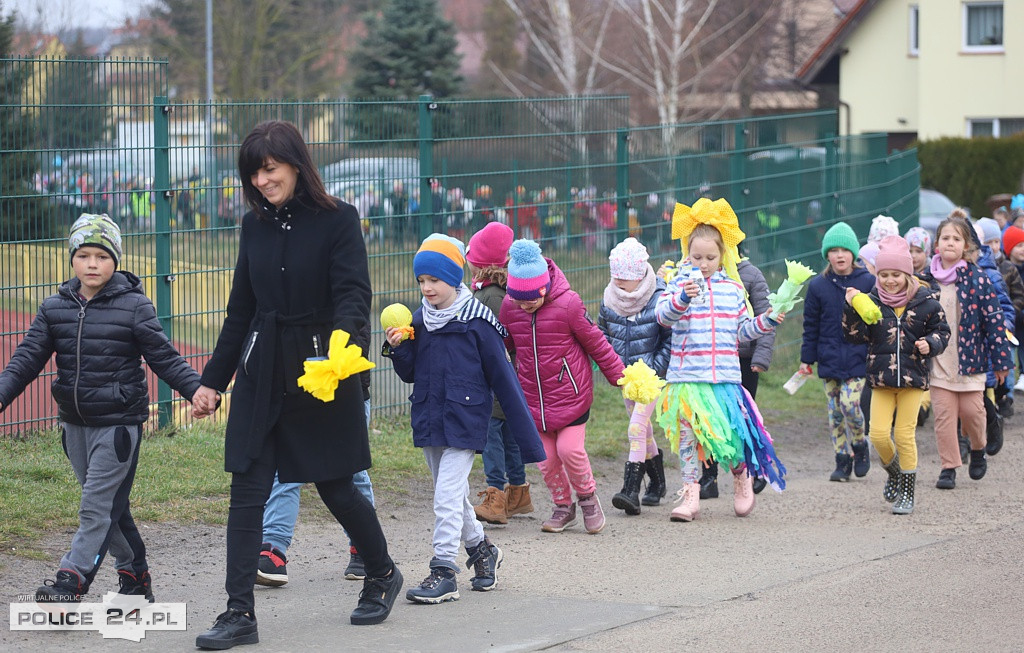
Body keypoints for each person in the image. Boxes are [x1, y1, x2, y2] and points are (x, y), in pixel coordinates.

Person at [191, 121, 402, 649]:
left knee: (335, 485)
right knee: (246, 491)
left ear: (295, 164)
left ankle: (381, 573)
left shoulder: (338, 220)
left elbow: (354, 292)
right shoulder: (252, 226)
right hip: (263, 375)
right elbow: (241, 310)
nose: (262, 181)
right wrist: (211, 382)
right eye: (253, 173)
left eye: (270, 168)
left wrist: (339, 345)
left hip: (321, 370)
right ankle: (239, 613)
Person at [0, 213, 206, 604]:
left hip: (118, 427)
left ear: (116, 260)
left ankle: (70, 580)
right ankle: (135, 575)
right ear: (72, 258)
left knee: (95, 507)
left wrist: (195, 390)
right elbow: (26, 358)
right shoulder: (54, 308)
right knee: (111, 508)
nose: (92, 264)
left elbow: (164, 357)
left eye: (102, 256)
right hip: (73, 425)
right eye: (84, 255)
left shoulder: (134, 307)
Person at [384, 233, 544, 604]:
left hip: (465, 421)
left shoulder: (478, 321)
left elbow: (505, 380)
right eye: (421, 281)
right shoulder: (422, 320)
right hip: (429, 419)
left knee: (444, 496)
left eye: (434, 280)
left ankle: (443, 571)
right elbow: (411, 373)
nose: (426, 288)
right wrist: (400, 348)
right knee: (452, 497)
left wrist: (529, 439)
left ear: (455, 278)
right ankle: (482, 552)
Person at [655, 198, 786, 523]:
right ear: (688, 252)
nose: (703, 263)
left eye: (710, 257)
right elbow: (662, 317)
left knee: (729, 438)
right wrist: (683, 297)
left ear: (722, 254)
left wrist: (766, 321)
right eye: (697, 256)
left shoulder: (732, 288)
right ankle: (690, 495)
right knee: (687, 440)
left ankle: (741, 481)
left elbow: (742, 331)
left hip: (724, 381)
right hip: (686, 379)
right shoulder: (679, 283)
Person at [499, 239, 625, 534]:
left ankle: (588, 499)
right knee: (545, 458)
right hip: (532, 399)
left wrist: (619, 375)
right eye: (519, 299)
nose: (525, 304)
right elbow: (502, 345)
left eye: (532, 298)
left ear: (544, 286)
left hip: (571, 396)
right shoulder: (509, 308)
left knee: (570, 450)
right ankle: (562, 505)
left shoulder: (569, 304)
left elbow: (596, 342)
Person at [842, 236, 950, 514]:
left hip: (913, 381)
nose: (890, 281)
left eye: (897, 275)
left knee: (904, 435)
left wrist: (932, 344)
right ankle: (894, 472)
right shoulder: (873, 302)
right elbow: (854, 336)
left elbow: (942, 332)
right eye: (884, 274)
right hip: (881, 381)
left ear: (907, 274)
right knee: (878, 435)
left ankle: (908, 492)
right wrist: (851, 307)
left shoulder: (926, 302)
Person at [255, 361, 377, 586]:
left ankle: (364, 547)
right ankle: (274, 551)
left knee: (352, 471)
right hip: (295, 391)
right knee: (286, 470)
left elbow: (357, 336)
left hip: (346, 390)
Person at [924, 215, 1012, 491]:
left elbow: (994, 321)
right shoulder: (926, 282)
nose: (950, 243)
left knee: (973, 413)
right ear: (937, 244)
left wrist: (1001, 362)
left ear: (967, 246)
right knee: (944, 417)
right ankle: (948, 466)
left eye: (957, 238)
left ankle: (978, 448)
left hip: (970, 361)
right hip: (938, 362)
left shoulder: (977, 279)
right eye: (946, 238)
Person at [465, 222, 535, 526]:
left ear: (483, 264)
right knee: (507, 434)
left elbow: (494, 338)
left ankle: (495, 496)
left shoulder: (492, 296)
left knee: (491, 432)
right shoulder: (496, 292)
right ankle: (518, 493)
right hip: (507, 375)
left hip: (496, 376)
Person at [598, 237, 672, 515]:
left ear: (640, 276)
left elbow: (670, 339)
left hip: (651, 377)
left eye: (624, 279)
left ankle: (631, 491)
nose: (618, 283)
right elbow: (602, 335)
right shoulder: (609, 299)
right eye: (615, 277)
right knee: (644, 430)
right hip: (626, 378)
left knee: (636, 429)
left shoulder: (658, 296)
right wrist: (613, 367)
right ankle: (657, 481)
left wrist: (655, 369)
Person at [698, 243, 776, 499]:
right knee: (707, 417)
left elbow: (764, 314)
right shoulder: (699, 274)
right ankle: (708, 477)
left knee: (742, 418)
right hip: (709, 360)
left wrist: (761, 356)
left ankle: (751, 470)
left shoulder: (750, 275)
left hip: (743, 360)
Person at [801, 222, 876, 482]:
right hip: (829, 357)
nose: (840, 255)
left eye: (845, 250)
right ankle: (841, 460)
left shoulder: (868, 281)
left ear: (854, 253)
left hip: (858, 356)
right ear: (827, 255)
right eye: (834, 250)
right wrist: (806, 360)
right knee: (834, 411)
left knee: (850, 404)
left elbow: (876, 319)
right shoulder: (818, 286)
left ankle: (859, 445)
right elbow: (810, 326)